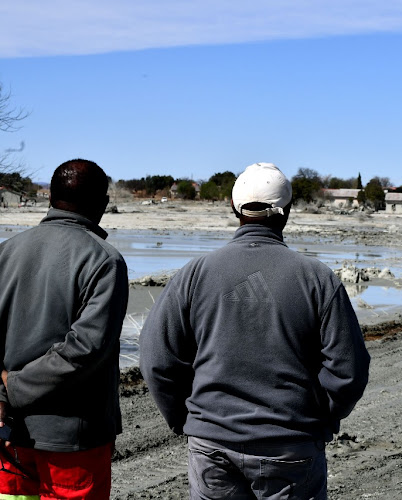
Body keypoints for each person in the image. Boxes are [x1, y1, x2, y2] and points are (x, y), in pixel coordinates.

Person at [140, 162, 370, 500]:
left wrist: (189, 420)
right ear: (287, 211)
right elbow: (349, 369)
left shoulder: (194, 275)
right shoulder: (317, 278)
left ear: (234, 208)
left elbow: (156, 358)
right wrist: (319, 421)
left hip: (211, 446)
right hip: (291, 448)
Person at [0, 159, 129, 499]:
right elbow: (85, 349)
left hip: (9, 435)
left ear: (50, 198)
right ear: (101, 205)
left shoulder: (6, 252)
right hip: (72, 443)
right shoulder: (104, 261)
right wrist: (13, 387)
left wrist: (4, 393)